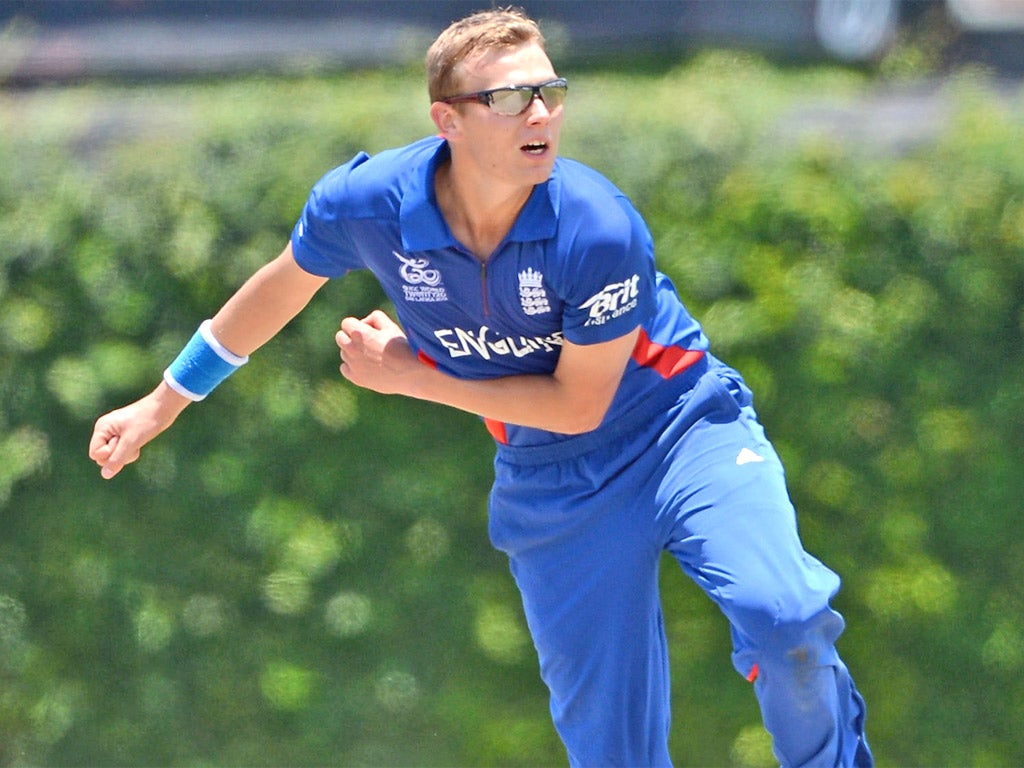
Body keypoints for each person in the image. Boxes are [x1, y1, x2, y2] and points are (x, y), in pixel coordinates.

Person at [89, 8, 872, 767]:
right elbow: (282, 286)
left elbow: (580, 402)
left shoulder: (597, 226)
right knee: (610, 751)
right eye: (507, 97)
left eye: (550, 92)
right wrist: (164, 400)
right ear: (448, 120)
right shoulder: (368, 204)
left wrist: (411, 377)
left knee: (786, 620)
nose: (539, 112)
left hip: (682, 431)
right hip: (553, 480)